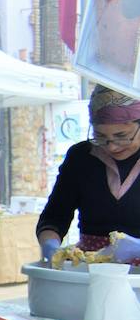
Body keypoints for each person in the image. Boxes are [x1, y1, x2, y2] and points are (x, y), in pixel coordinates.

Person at [37, 85, 140, 263]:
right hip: (91, 268)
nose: (112, 146)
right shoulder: (81, 157)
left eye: (122, 135)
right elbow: (53, 218)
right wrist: (51, 247)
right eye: (100, 136)